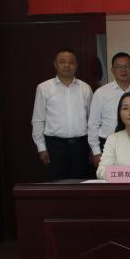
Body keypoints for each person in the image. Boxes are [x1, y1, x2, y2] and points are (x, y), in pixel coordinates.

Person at [31, 47, 93, 180]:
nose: (67, 65)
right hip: (55, 146)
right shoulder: (43, 88)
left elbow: (91, 120)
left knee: (81, 184)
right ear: (55, 64)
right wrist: (41, 148)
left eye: (71, 62)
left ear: (76, 65)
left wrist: (93, 147)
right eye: (62, 62)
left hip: (80, 146)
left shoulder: (85, 88)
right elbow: (38, 119)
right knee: (57, 185)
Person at [88, 52, 130, 166]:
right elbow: (93, 123)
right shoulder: (101, 93)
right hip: (106, 144)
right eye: (119, 67)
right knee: (108, 176)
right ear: (112, 70)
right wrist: (96, 152)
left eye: (127, 66)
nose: (123, 70)